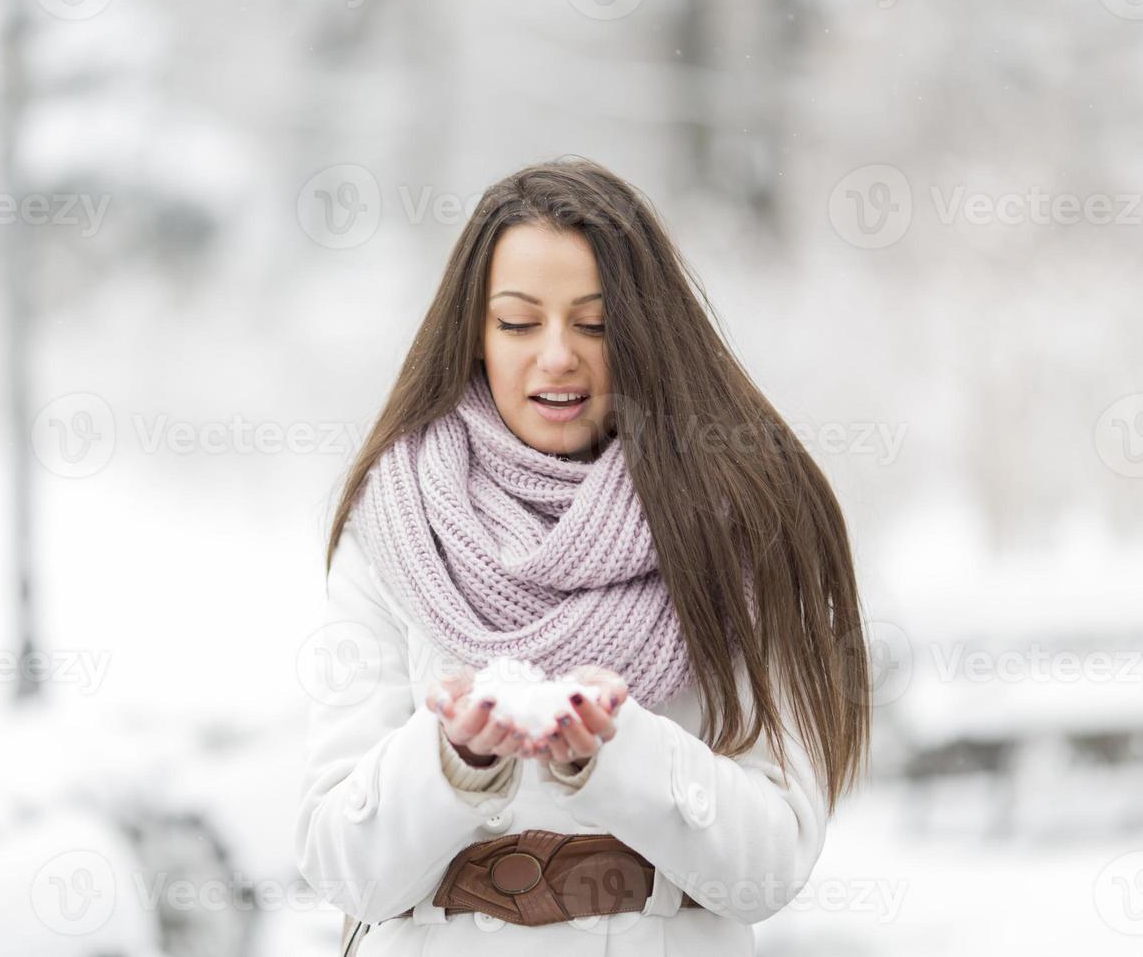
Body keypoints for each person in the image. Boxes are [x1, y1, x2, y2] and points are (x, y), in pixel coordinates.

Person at [294, 157, 871, 956]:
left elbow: (768, 869)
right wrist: (453, 759)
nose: (558, 355)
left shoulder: (740, 523)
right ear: (474, 336)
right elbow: (341, 864)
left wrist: (619, 753)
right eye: (519, 323)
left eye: (595, 325)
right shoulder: (396, 523)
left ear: (646, 331)